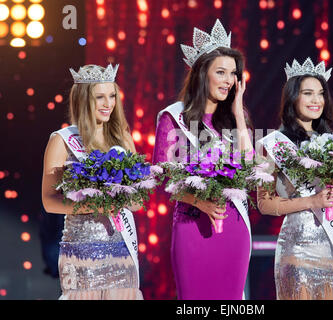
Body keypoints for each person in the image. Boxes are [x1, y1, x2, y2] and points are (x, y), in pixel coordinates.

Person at [153, 19, 253, 299]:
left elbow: (250, 168)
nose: (228, 80)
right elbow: (163, 175)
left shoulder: (235, 119)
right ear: (201, 74)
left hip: (233, 226)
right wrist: (200, 201)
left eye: (233, 74)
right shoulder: (175, 117)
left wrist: (237, 113)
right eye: (220, 72)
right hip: (192, 225)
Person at [257, 58, 333, 300]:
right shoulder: (272, 144)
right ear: (293, 97)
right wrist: (312, 201)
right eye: (308, 93)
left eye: (320, 93)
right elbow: (265, 203)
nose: (316, 100)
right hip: (298, 254)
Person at [41, 64, 143, 300]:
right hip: (81, 251)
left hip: (121, 249)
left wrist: (125, 198)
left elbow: (138, 201)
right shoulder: (62, 141)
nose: (108, 103)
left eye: (112, 96)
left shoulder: (123, 138)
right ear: (83, 100)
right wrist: (95, 205)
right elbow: (49, 202)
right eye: (100, 97)